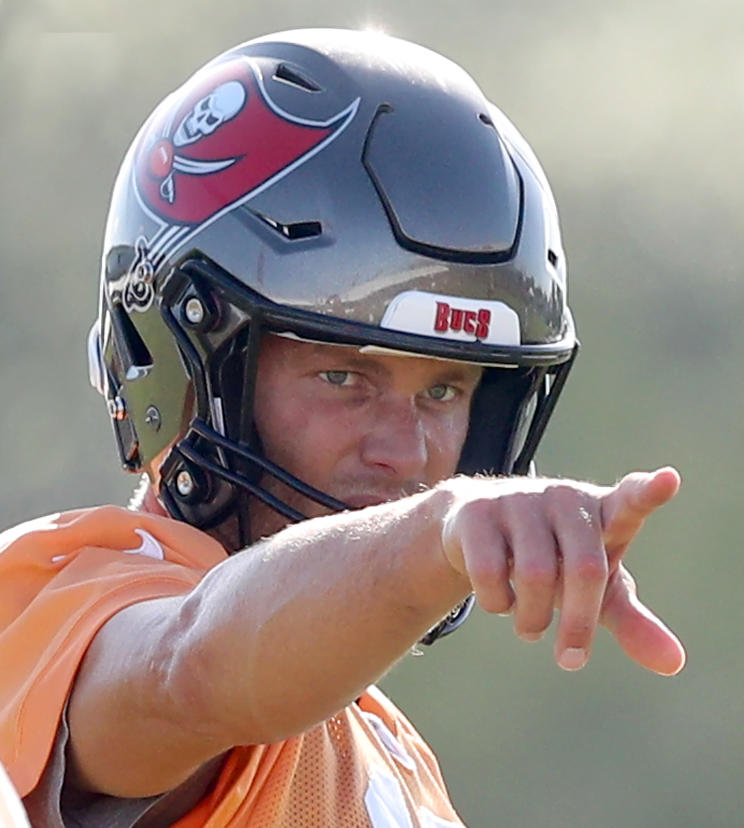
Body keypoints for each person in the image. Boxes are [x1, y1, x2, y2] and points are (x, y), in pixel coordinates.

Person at [0, 28, 685, 826]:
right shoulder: (63, 597)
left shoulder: (384, 747)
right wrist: (436, 530)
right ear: (184, 373)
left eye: (445, 391)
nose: (407, 454)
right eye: (343, 378)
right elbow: (189, 669)